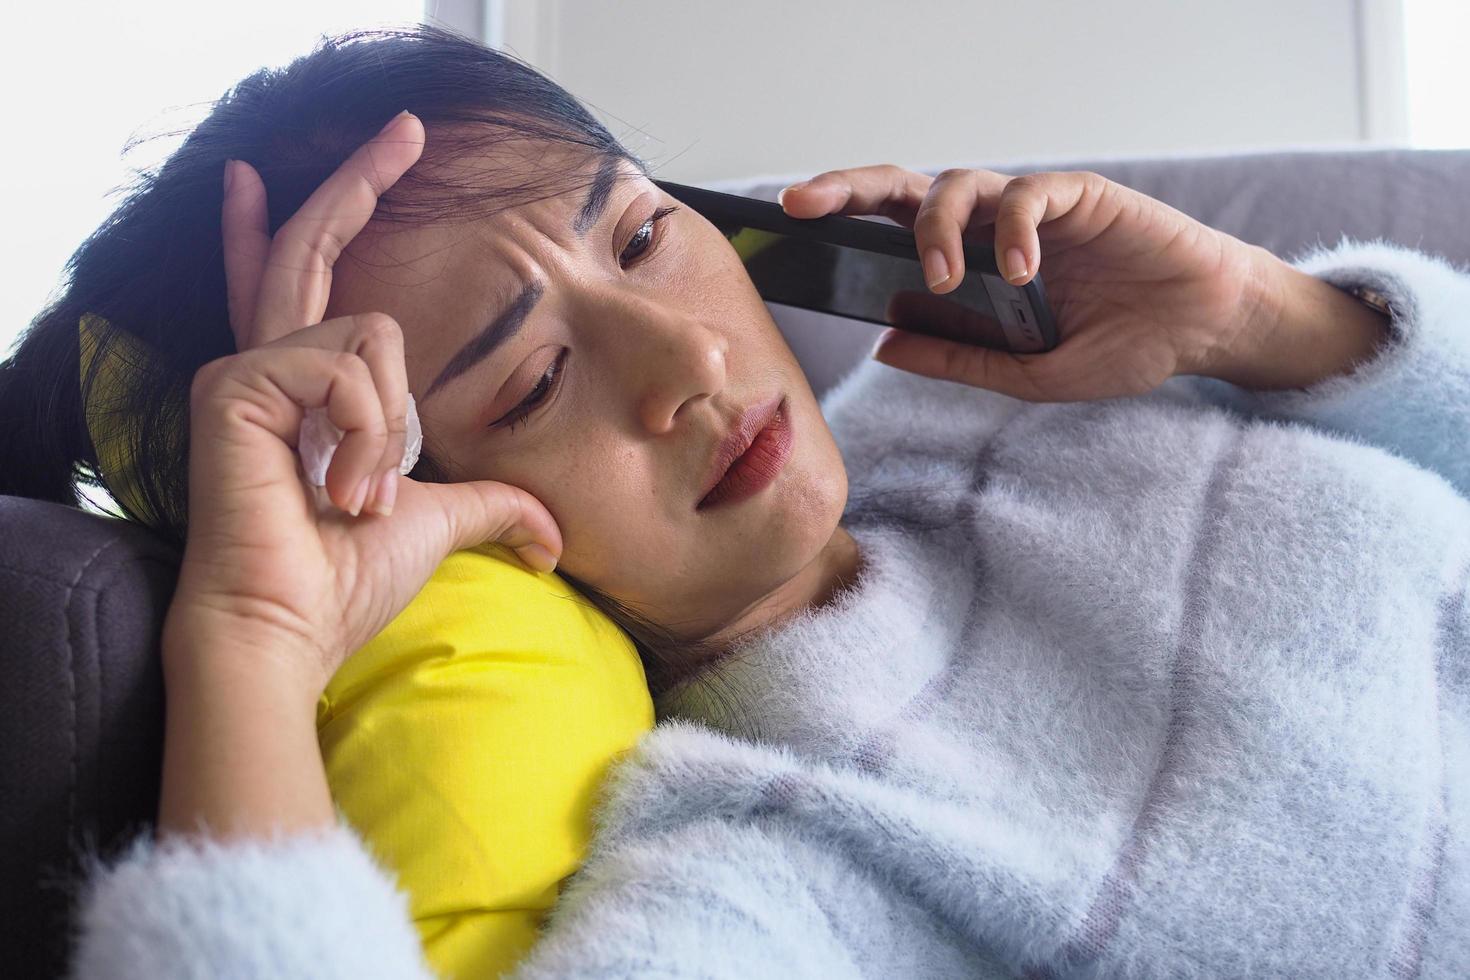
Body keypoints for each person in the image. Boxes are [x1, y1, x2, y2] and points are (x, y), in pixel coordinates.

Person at [5, 25, 1463, 980]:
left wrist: (1272, 319)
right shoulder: (767, 856)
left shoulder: (1039, 386)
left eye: (641, 233)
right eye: (524, 386)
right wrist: (253, 640)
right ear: (401, 505)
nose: (688, 361)